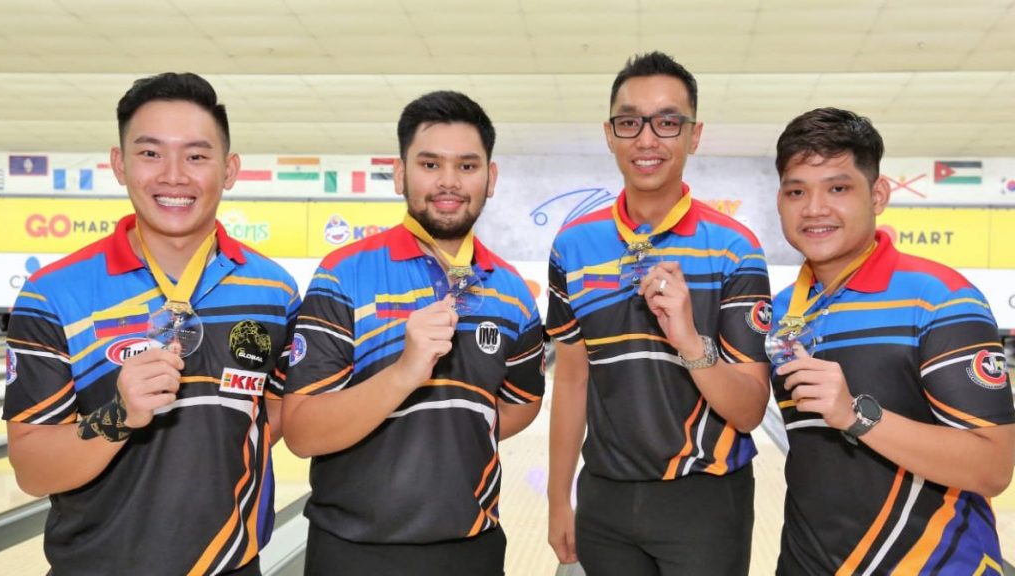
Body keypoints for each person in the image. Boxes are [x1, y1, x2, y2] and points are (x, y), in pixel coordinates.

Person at [3, 73, 299, 575]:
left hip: (231, 565)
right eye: (150, 153)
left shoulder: (275, 291)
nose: (174, 176)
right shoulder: (54, 294)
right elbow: (32, 470)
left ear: (229, 170)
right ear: (120, 164)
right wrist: (120, 416)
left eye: (196, 156)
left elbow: (276, 411)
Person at [282, 90, 544, 575]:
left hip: (473, 551)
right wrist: (404, 374)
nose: (449, 181)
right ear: (400, 174)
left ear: (491, 178)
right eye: (429, 164)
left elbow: (521, 403)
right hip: (353, 553)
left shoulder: (512, 292)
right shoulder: (343, 275)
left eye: (467, 166)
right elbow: (301, 432)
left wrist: (449, 431)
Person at [546, 51, 772, 575]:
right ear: (610, 135)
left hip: (706, 500)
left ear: (694, 135)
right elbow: (573, 380)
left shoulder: (734, 248)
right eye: (630, 123)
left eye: (668, 122)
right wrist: (559, 497)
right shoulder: (573, 246)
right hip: (604, 499)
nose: (647, 140)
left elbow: (749, 411)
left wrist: (690, 340)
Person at [770, 107, 1015, 574]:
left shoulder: (940, 298)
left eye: (838, 188)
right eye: (796, 191)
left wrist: (856, 415)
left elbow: (992, 467)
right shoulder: (784, 310)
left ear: (878, 194)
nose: (814, 208)